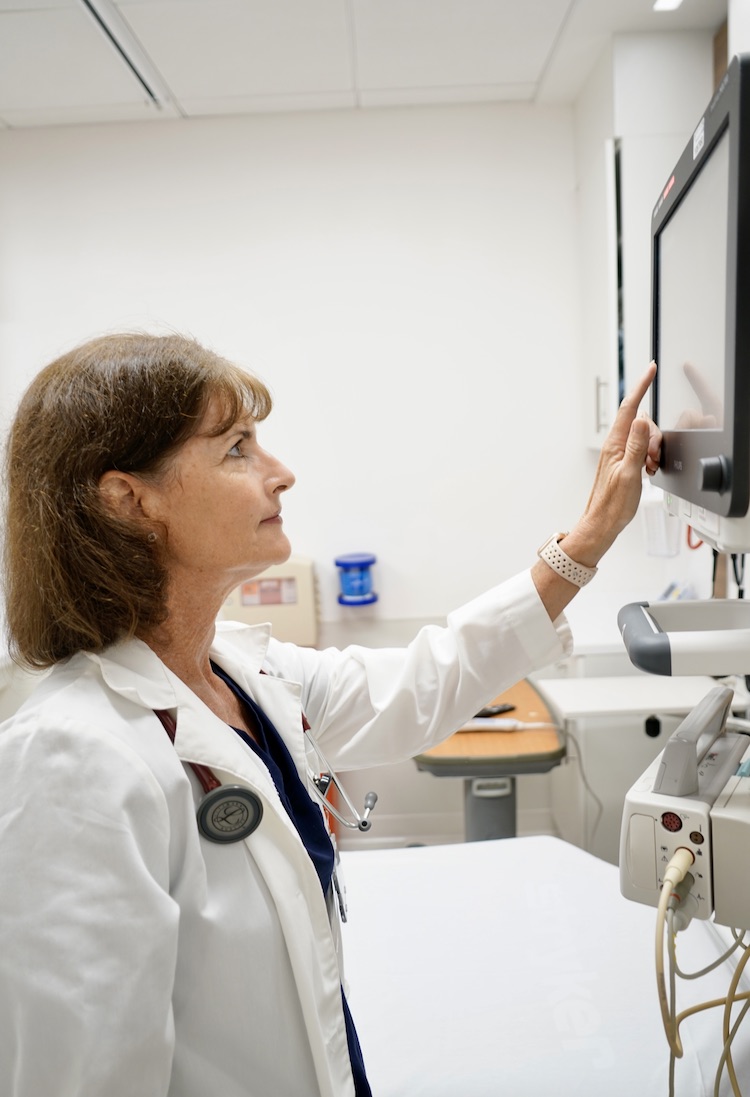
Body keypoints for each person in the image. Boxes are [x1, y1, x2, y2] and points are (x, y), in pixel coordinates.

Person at [0, 333, 660, 1097]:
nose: (282, 473)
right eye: (238, 448)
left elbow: (422, 681)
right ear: (130, 500)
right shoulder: (74, 757)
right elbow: (82, 1077)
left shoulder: (243, 675)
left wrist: (590, 540)